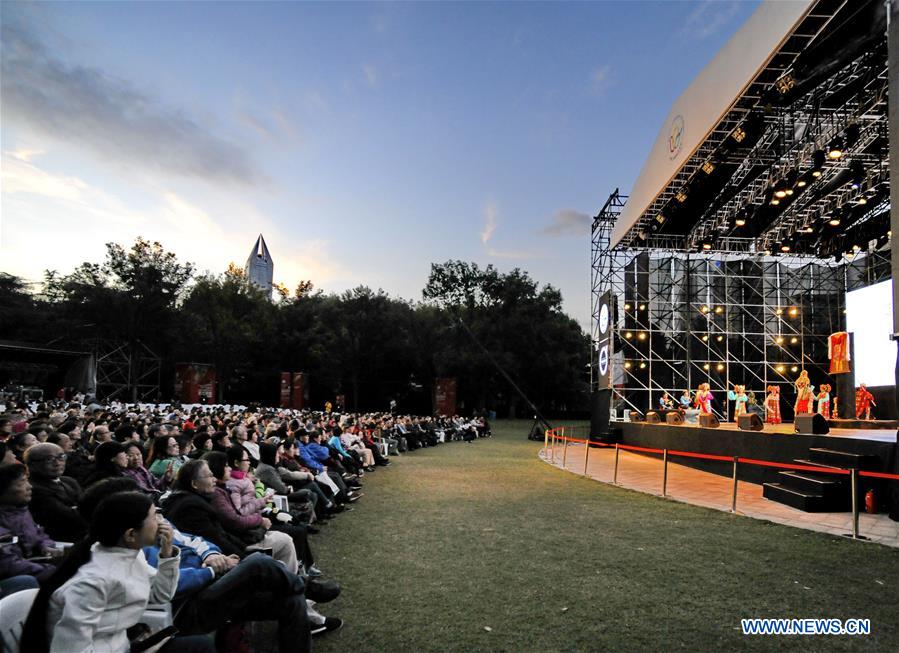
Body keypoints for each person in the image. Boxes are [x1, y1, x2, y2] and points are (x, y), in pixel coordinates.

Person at [20, 490, 213, 653]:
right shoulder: (91, 583)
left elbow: (161, 594)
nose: (162, 522)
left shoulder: (130, 553)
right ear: (130, 534)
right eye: (155, 517)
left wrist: (167, 553)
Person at [0, 464, 61, 585]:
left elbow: (39, 533)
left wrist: (45, 546)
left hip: (34, 564)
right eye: (21, 483)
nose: (30, 487)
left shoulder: (21, 510)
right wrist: (50, 571)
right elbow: (8, 564)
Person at [24, 443, 88, 542]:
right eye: (49, 459)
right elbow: (69, 517)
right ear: (31, 464)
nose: (58, 463)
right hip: (59, 541)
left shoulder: (69, 481)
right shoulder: (33, 488)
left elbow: (88, 505)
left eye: (61, 457)